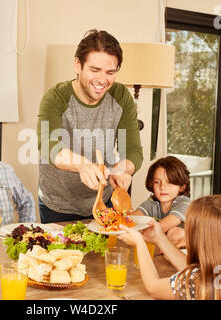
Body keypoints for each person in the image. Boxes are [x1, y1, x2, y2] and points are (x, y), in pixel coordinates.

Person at [37, 29, 143, 223]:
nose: (103, 80)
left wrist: (123, 168)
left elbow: (134, 150)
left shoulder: (121, 97)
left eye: (110, 72)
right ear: (78, 65)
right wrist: (82, 165)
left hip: (105, 200)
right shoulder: (55, 97)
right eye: (95, 70)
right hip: (59, 204)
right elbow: (49, 146)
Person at [118, 195, 221, 300]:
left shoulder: (197, 282)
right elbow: (196, 271)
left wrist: (139, 243)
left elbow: (153, 287)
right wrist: (160, 238)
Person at [131, 156, 191, 249]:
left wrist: (140, 234)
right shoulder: (152, 203)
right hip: (163, 250)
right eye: (157, 182)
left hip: (186, 254)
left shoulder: (184, 203)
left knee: (174, 233)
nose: (162, 187)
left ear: (182, 186)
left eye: (169, 182)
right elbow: (132, 219)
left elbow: (162, 226)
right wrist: (127, 219)